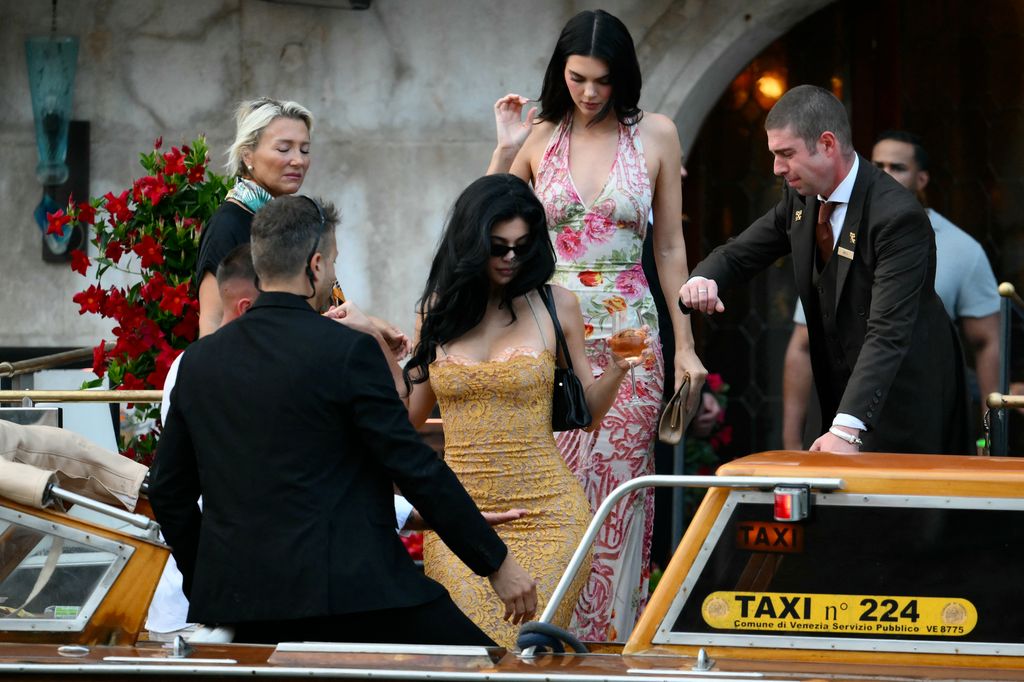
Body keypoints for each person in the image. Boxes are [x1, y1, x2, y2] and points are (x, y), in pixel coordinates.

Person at [149, 195, 537, 646]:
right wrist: (495, 562)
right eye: (332, 261)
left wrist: (210, 580)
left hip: (243, 607)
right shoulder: (347, 351)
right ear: (315, 266)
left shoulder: (198, 363)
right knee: (488, 667)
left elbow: (168, 491)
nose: (333, 273)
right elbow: (414, 466)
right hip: (354, 596)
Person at [486, 8, 706, 641]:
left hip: (632, 336)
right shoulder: (539, 137)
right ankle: (539, 634)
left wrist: (685, 346)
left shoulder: (656, 133)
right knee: (550, 486)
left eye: (602, 80)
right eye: (577, 78)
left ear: (622, 77)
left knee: (619, 492)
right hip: (548, 334)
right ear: (560, 73)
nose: (588, 92)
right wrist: (505, 147)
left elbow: (670, 247)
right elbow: (483, 222)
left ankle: (611, 643)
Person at [399, 174, 641, 648]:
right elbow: (409, 419)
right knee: (468, 654)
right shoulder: (437, 311)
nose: (511, 258)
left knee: (525, 654)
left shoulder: (556, 305)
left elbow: (588, 416)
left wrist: (616, 369)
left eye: (522, 246)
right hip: (461, 521)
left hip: (549, 516)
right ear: (471, 244)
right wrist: (383, 353)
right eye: (498, 247)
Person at [680, 85, 970, 456]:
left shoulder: (898, 217)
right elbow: (743, 251)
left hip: (902, 402)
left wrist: (847, 429)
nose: (777, 168)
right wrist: (704, 278)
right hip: (836, 398)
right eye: (774, 155)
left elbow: (888, 332)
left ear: (827, 144)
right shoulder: (801, 196)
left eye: (786, 154)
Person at [781, 131, 1000, 450]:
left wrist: (991, 440)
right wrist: (790, 441)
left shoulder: (963, 248)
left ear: (922, 179)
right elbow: (802, 345)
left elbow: (987, 342)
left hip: (920, 410)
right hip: (844, 414)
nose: (885, 173)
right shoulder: (834, 232)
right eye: (877, 165)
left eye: (897, 167)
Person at [194, 97, 407, 353]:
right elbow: (213, 322)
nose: (298, 160)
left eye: (304, 150)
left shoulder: (290, 219)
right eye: (284, 149)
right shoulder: (228, 223)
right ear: (247, 154)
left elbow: (305, 311)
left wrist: (369, 326)